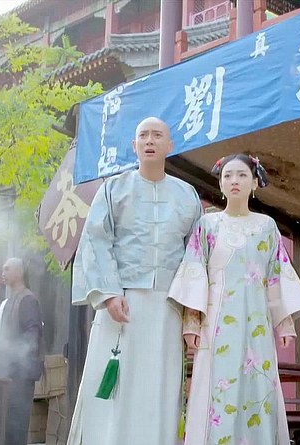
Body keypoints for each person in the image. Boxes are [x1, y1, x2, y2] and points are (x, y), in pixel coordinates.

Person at [68, 117, 203, 445]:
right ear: (134, 145)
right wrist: (110, 293)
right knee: (118, 390)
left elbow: (196, 255)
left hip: (168, 308)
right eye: (143, 135)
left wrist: (191, 312)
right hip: (121, 304)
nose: (149, 141)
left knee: (159, 386)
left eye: (157, 135)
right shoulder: (114, 189)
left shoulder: (187, 195)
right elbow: (96, 240)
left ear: (170, 146)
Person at [168, 153, 300, 445]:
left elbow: (276, 274)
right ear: (221, 184)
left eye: (242, 175)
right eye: (228, 176)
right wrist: (191, 322)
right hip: (217, 321)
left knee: (257, 383)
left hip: (256, 322)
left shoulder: (267, 226)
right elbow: (194, 272)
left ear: (255, 183)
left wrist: (284, 322)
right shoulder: (207, 225)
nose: (234, 180)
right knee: (217, 386)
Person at [0, 257, 45, 445]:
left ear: (19, 272)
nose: (3, 273)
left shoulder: (28, 299)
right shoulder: (8, 302)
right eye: (2, 269)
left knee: (17, 425)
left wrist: (14, 357)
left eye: (7, 269)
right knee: (4, 425)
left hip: (20, 373)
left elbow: (32, 335)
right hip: (6, 371)